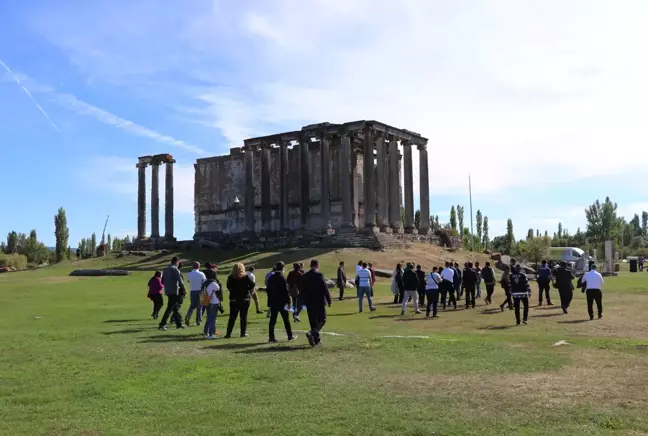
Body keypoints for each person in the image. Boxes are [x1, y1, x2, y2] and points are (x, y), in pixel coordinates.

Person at [301, 259, 332, 347]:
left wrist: (303, 301)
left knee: (312, 321)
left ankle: (316, 340)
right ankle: (313, 333)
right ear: (317, 266)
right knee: (322, 319)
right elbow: (324, 288)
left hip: (309, 301)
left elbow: (302, 290)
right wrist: (329, 300)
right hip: (319, 301)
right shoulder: (319, 275)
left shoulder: (305, 276)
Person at [266, 261, 298, 343]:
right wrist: (288, 302)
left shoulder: (271, 278)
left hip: (273, 301)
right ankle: (290, 336)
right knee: (286, 320)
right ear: (283, 268)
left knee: (272, 320)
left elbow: (268, 290)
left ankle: (271, 337)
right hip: (282, 302)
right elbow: (285, 291)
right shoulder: (282, 277)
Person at [224, 263, 255, 338]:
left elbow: (228, 286)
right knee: (243, 317)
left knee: (232, 317)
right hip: (245, 299)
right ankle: (243, 333)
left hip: (234, 299)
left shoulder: (231, 277)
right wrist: (247, 289)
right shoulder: (245, 277)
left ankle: (228, 333)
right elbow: (252, 284)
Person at [158, 257, 187, 330]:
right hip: (174, 290)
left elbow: (162, 281)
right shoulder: (175, 269)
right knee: (170, 308)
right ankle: (162, 324)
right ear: (177, 262)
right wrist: (184, 288)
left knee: (175, 307)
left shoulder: (166, 269)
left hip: (168, 290)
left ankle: (179, 324)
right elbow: (180, 280)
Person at [202, 266, 222, 339]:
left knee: (209, 317)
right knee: (213, 318)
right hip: (213, 302)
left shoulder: (204, 282)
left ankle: (205, 331)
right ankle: (210, 334)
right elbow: (218, 288)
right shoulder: (213, 283)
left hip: (206, 301)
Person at [185, 262, 206, 326]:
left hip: (193, 290)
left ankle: (188, 316)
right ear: (199, 267)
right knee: (200, 307)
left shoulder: (189, 274)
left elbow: (188, 281)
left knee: (192, 306)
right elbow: (204, 282)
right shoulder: (202, 274)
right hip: (201, 291)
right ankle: (198, 321)